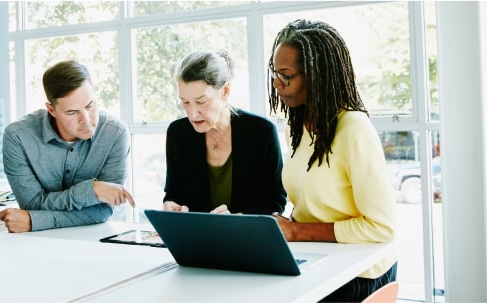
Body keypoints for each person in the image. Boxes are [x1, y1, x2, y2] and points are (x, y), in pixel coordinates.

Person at [267, 20, 397, 302]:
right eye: (275, 73)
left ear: (317, 76)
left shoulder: (354, 129)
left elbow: (381, 227)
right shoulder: (298, 126)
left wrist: (297, 231)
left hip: (360, 274)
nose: (277, 84)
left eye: (286, 75)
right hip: (317, 259)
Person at [0, 60, 134, 233]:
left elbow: (102, 211)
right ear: (52, 110)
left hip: (92, 239)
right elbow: (32, 204)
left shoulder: (115, 133)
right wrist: (92, 191)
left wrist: (35, 221)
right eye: (72, 112)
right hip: (37, 243)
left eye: (90, 106)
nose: (86, 120)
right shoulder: (17, 137)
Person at [163, 49, 287, 215]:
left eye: (201, 102)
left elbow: (275, 200)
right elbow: (173, 193)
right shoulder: (177, 133)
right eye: (185, 102)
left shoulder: (262, 132)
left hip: (247, 237)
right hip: (195, 238)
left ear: (225, 91)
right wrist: (171, 205)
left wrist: (239, 221)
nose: (192, 113)